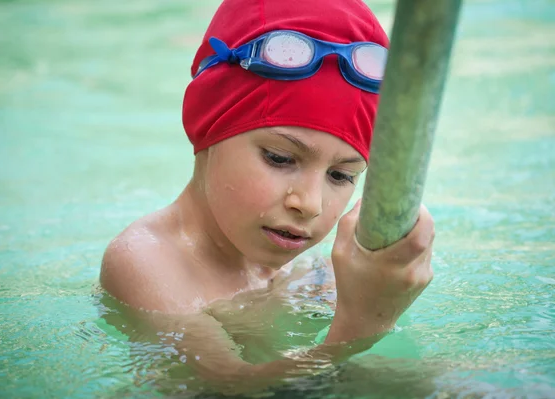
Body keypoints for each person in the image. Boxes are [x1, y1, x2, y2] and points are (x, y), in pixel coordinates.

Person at [99, 0, 435, 393]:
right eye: (279, 158)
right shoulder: (146, 259)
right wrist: (362, 324)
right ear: (209, 126)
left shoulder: (308, 275)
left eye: (341, 175)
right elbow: (229, 390)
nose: (309, 203)